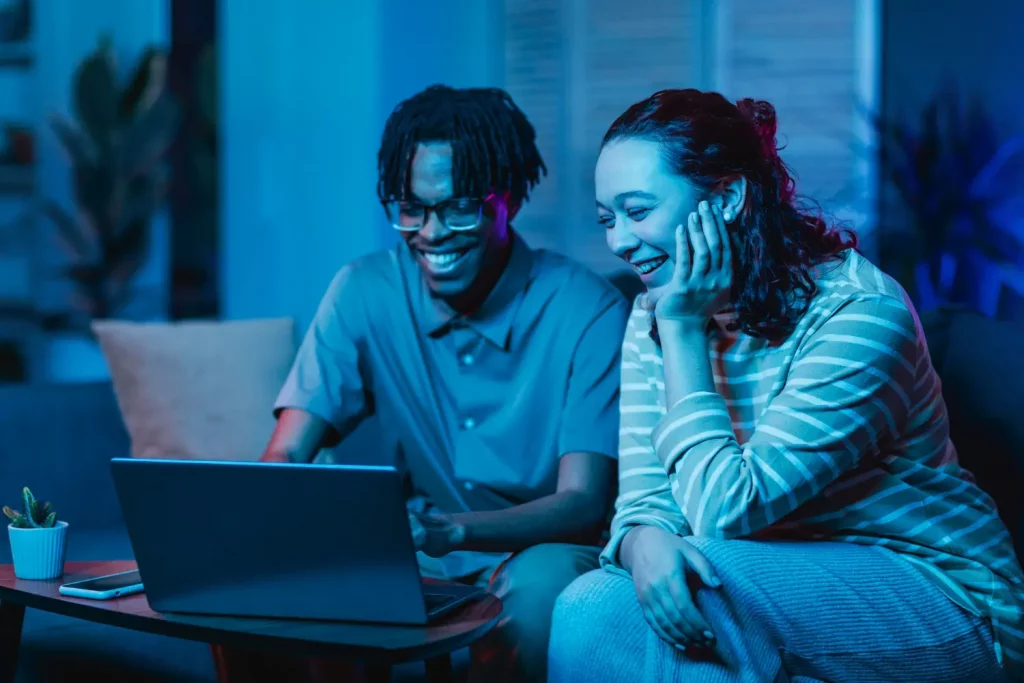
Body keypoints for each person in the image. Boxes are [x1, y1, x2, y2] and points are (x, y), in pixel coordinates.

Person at [548, 88, 1024, 683]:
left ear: (727, 197)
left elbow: (726, 509)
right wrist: (641, 543)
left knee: (700, 589)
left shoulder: (861, 314)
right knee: (588, 604)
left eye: (638, 211)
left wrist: (685, 336)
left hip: (938, 591)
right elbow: (645, 498)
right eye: (606, 219)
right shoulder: (655, 313)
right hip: (765, 575)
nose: (618, 241)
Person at [261, 84, 628, 682]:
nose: (431, 233)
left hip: (542, 549)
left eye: (460, 207)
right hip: (414, 548)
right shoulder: (364, 291)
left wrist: (451, 530)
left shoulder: (587, 310)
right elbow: (287, 452)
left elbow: (583, 503)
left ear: (507, 198)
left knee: (533, 597)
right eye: (411, 208)